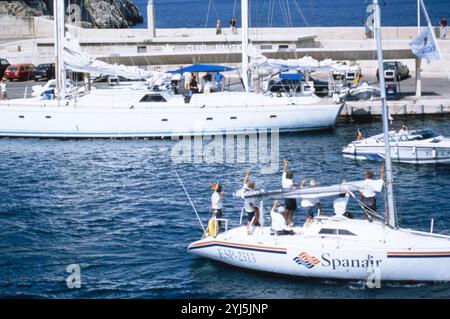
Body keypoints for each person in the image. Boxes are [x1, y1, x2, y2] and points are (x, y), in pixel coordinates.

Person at [282, 159, 297, 227]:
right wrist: (296, 188)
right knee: (291, 209)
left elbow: (284, 171)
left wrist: (285, 164)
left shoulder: (284, 178)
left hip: (286, 195)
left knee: (287, 208)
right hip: (291, 196)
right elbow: (292, 188)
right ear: (291, 176)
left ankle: (286, 220)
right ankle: (289, 220)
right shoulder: (289, 181)